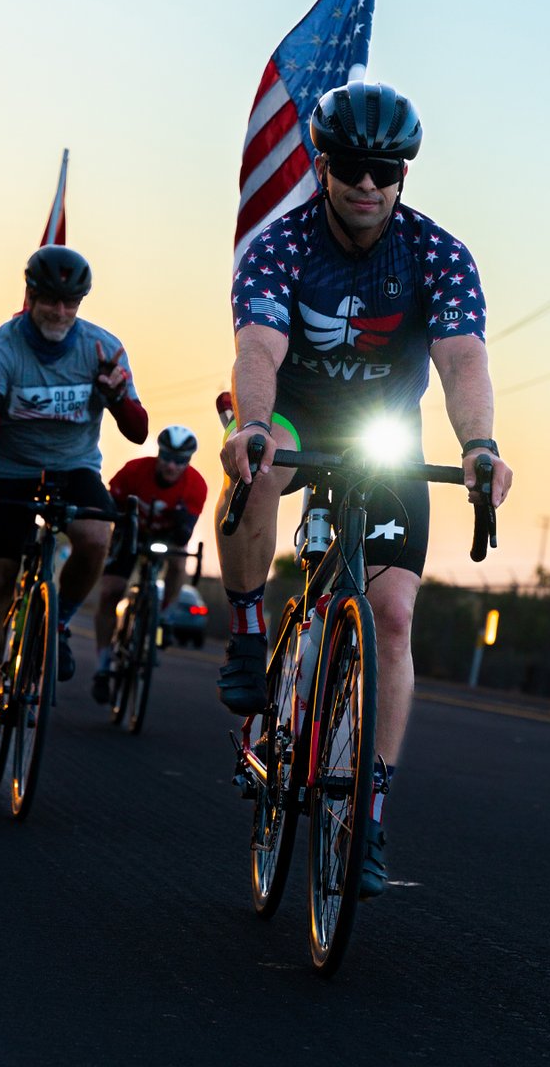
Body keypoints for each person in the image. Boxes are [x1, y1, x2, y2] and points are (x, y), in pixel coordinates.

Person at [216, 80, 513, 897]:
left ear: (404, 175)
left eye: (387, 170)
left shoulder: (436, 253)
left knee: (394, 616)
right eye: (351, 166)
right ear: (323, 166)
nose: (368, 184)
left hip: (384, 433)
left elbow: (462, 359)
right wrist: (252, 424)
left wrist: (480, 447)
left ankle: (367, 815)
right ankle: (247, 628)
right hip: (299, 415)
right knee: (257, 461)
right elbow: (258, 349)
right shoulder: (281, 246)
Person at [0, 245, 148, 761]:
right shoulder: (0, 347)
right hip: (11, 470)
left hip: (75, 467)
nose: (60, 312)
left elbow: (137, 430)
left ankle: (57, 623)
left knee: (96, 537)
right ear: (30, 295)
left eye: (71, 303)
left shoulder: (102, 348)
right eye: (51, 301)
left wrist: (117, 397)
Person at [91, 425, 208, 701]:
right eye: (167, 457)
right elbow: (110, 505)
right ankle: (103, 665)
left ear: (188, 461)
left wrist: (181, 520)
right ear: (159, 453)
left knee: (178, 562)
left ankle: (163, 616)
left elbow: (184, 534)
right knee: (110, 592)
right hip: (130, 531)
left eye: (180, 460)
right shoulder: (134, 471)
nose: (171, 465)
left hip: (166, 536)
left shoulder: (196, 485)